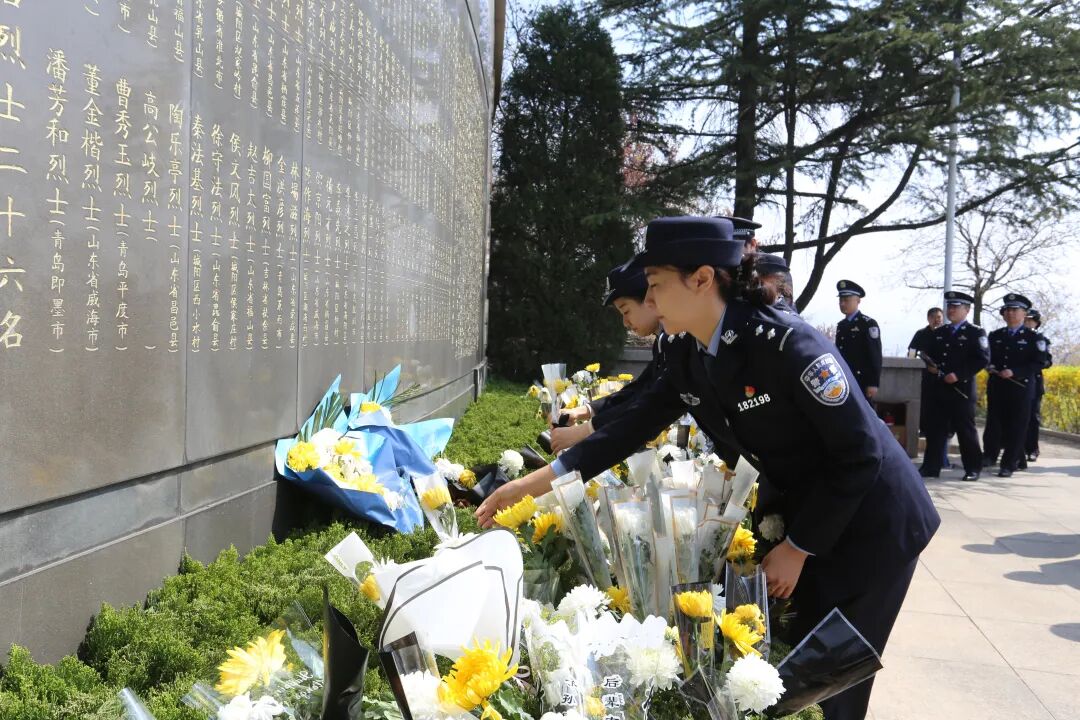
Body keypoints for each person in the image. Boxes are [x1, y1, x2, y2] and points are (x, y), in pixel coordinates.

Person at [477, 215, 940, 720]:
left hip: (874, 523)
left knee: (829, 680)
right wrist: (527, 487)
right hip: (812, 512)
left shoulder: (786, 346)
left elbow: (860, 454)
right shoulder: (688, 352)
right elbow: (624, 432)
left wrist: (798, 547)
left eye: (655, 285)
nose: (649, 301)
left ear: (701, 279)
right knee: (786, 669)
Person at [549, 260, 663, 453]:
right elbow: (640, 388)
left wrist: (585, 430)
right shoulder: (663, 341)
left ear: (650, 298)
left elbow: (652, 402)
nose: (625, 322)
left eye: (626, 311)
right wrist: (583, 411)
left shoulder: (676, 339)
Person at [918, 291, 988, 482]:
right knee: (935, 430)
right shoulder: (940, 332)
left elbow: (982, 359)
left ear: (966, 310)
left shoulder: (975, 333)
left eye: (956, 307)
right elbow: (929, 354)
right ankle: (931, 467)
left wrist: (958, 375)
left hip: (961, 390)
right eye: (949, 306)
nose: (951, 310)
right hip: (940, 388)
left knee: (966, 431)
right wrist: (930, 365)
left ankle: (972, 468)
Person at [981, 294, 1044, 478]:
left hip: (1020, 388)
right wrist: (990, 366)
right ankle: (990, 455)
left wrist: (1015, 371)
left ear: (1024, 313)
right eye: (1007, 310)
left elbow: (1039, 362)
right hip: (998, 387)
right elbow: (986, 357)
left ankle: (1009, 464)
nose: (1010, 313)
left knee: (1017, 426)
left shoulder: (1033, 337)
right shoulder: (996, 336)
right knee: (994, 423)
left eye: (1015, 310)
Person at [908, 308, 948, 467]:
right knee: (926, 417)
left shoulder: (946, 333)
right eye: (933, 317)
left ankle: (942, 460)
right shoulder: (921, 334)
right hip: (924, 378)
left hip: (943, 379)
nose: (937, 320)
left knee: (942, 422)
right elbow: (912, 353)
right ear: (928, 318)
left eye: (939, 317)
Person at [835, 281, 883, 401]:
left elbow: (875, 354)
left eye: (846, 300)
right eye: (840, 300)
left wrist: (873, 383)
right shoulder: (841, 325)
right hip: (843, 379)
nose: (842, 303)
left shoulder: (868, 324)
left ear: (858, 300)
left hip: (861, 380)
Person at [1024, 309, 1053, 462]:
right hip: (1014, 382)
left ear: (1036, 323)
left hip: (1034, 382)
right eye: (1026, 320)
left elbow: (1048, 361)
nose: (1028, 323)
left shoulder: (1042, 340)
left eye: (1031, 321)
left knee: (1033, 417)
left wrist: (1037, 363)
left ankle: (1032, 449)